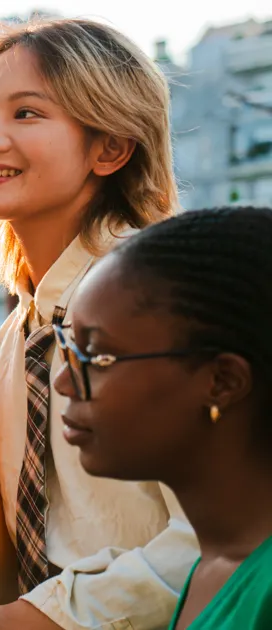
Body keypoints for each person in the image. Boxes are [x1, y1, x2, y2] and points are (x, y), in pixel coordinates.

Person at [0, 17, 190, 630]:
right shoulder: (11, 343)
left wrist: (12, 620)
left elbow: (215, 539)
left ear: (110, 148)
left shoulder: (163, 299)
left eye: (26, 113)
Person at [48, 206, 272, 630]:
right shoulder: (214, 568)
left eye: (95, 356)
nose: (63, 383)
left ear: (221, 381)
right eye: (68, 349)